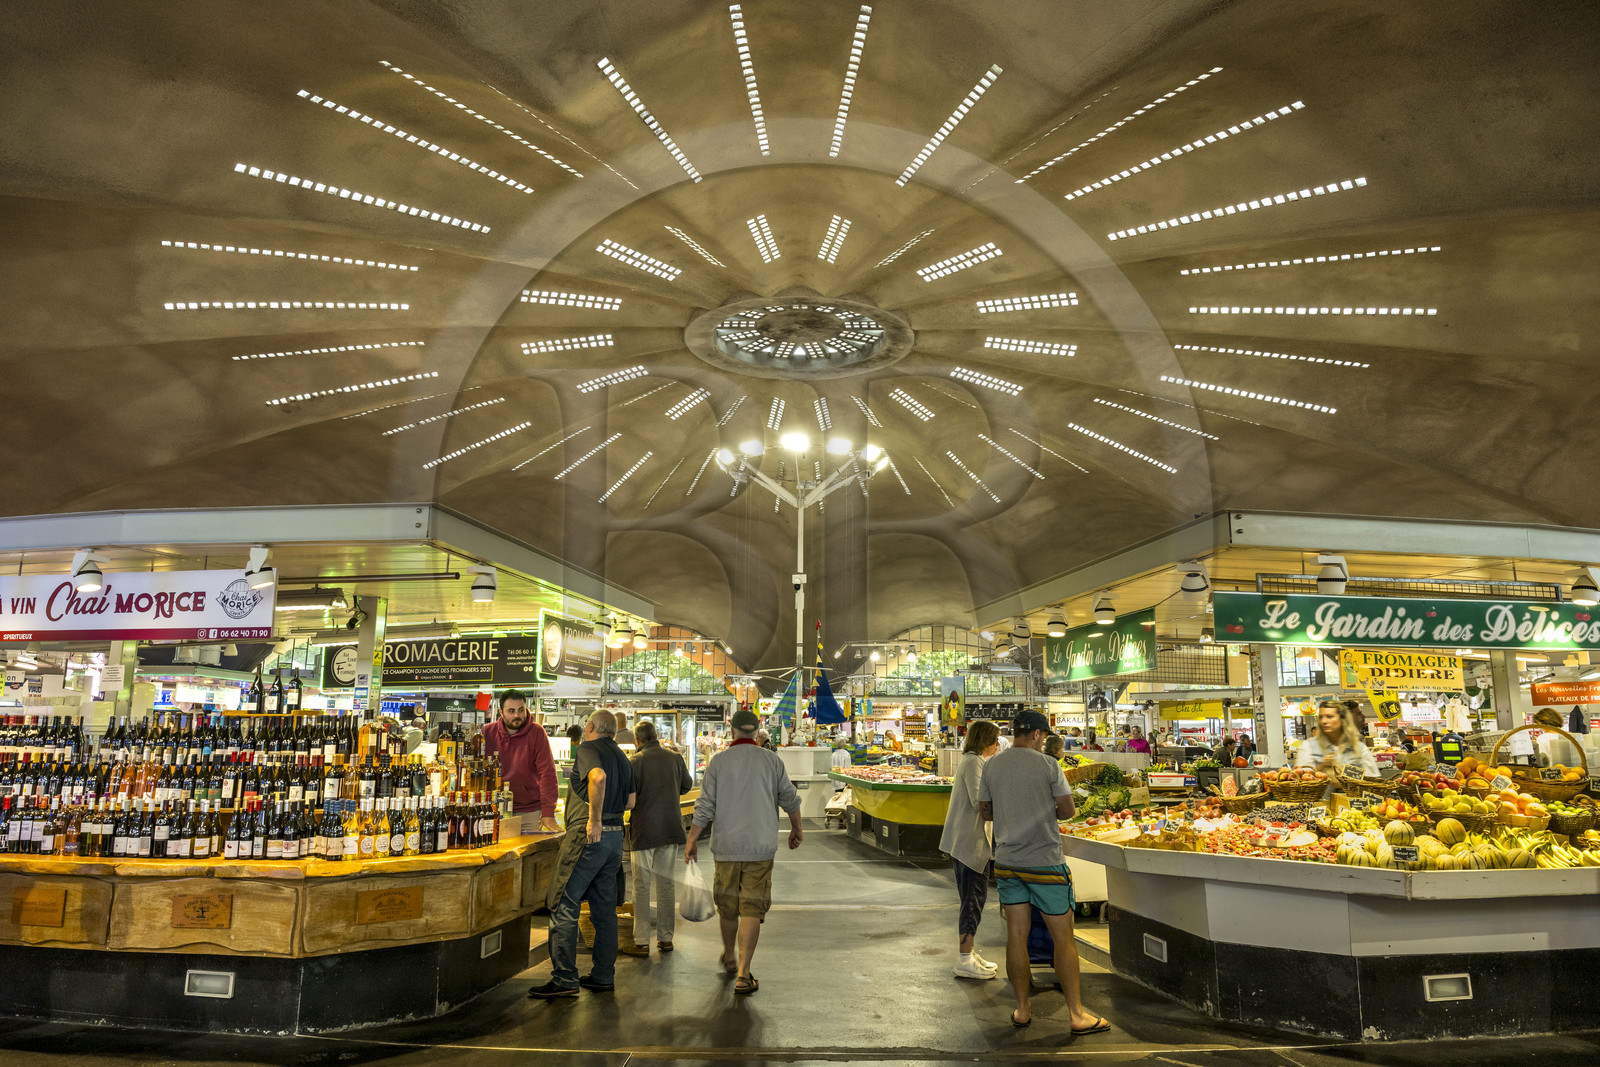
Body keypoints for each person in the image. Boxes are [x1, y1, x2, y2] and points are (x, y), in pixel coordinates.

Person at [978, 710, 1108, 1034]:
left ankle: (1022, 1009)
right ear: (1037, 734)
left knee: (1016, 937)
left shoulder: (992, 765)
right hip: (1045, 862)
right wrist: (1041, 808)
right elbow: (1067, 810)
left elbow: (984, 810)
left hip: (1007, 862)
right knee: (1063, 939)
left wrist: (1010, 811)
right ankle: (1077, 1015)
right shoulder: (1049, 765)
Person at [685, 706, 803, 996]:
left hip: (725, 846)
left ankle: (728, 955)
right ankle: (743, 973)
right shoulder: (772, 761)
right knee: (752, 907)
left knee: (728, 906)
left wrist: (691, 839)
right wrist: (797, 829)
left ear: (732, 731)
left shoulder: (718, 762)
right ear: (757, 731)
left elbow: (705, 806)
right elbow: (790, 799)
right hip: (760, 847)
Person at [529, 710, 636, 999]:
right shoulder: (623, 758)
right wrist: (608, 817)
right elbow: (631, 800)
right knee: (604, 910)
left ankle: (564, 978)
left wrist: (594, 820)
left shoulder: (589, 747)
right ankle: (603, 975)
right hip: (614, 838)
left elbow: (597, 777)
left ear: (589, 727)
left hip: (589, 835)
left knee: (563, 901)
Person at [620, 721, 694, 959]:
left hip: (644, 830)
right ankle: (665, 938)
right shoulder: (674, 758)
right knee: (666, 884)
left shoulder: (635, 762)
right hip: (670, 827)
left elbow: (628, 796)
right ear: (656, 737)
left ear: (637, 741)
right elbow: (687, 785)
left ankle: (641, 941)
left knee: (641, 886)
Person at [939, 719, 1001, 981]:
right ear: (985, 740)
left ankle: (970, 952)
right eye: (995, 740)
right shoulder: (974, 762)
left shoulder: (974, 761)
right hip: (970, 844)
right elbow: (980, 800)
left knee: (974, 899)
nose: (998, 745)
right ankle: (964, 958)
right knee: (973, 901)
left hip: (967, 842)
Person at [481, 690, 559, 835]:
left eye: (521, 710)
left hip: (529, 811)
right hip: (495, 810)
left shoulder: (537, 732)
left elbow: (547, 773)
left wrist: (548, 812)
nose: (517, 715)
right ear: (501, 712)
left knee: (532, 855)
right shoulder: (487, 733)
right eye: (511, 711)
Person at [1296, 701, 1378, 779]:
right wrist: (1321, 767)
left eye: (1329, 716)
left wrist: (1347, 774)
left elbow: (1372, 780)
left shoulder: (1359, 748)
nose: (1324, 721)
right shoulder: (1308, 747)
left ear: (1342, 720)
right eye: (1321, 717)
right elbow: (1299, 781)